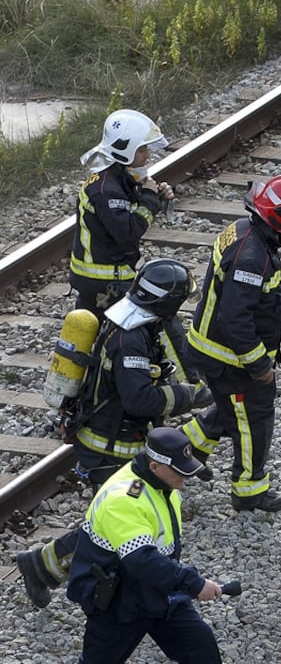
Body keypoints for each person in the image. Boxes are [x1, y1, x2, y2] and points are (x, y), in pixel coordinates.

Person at [15, 258, 200, 609]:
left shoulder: (135, 323)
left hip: (117, 441)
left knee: (110, 523)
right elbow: (138, 398)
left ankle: (41, 566)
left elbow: (146, 378)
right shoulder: (131, 339)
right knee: (115, 526)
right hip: (109, 448)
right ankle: (44, 567)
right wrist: (186, 396)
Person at [180, 175, 281, 512]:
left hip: (216, 349)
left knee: (232, 409)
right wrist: (260, 366)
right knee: (254, 416)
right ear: (279, 219)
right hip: (229, 358)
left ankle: (182, 449)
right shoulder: (251, 257)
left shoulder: (245, 231)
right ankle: (249, 491)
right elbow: (235, 319)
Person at [70, 109, 208, 403]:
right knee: (162, 319)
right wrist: (148, 199)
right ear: (125, 150)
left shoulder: (116, 178)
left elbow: (127, 216)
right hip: (106, 281)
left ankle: (79, 399)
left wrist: (152, 195)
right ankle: (192, 388)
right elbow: (129, 232)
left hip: (104, 278)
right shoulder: (106, 190)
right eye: (142, 149)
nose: (147, 154)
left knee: (95, 342)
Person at [65, 426, 223, 663]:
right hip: (119, 602)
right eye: (180, 473)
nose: (185, 480)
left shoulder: (162, 484)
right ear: (154, 467)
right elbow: (141, 559)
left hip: (158, 589)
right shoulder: (124, 500)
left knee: (201, 648)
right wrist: (194, 583)